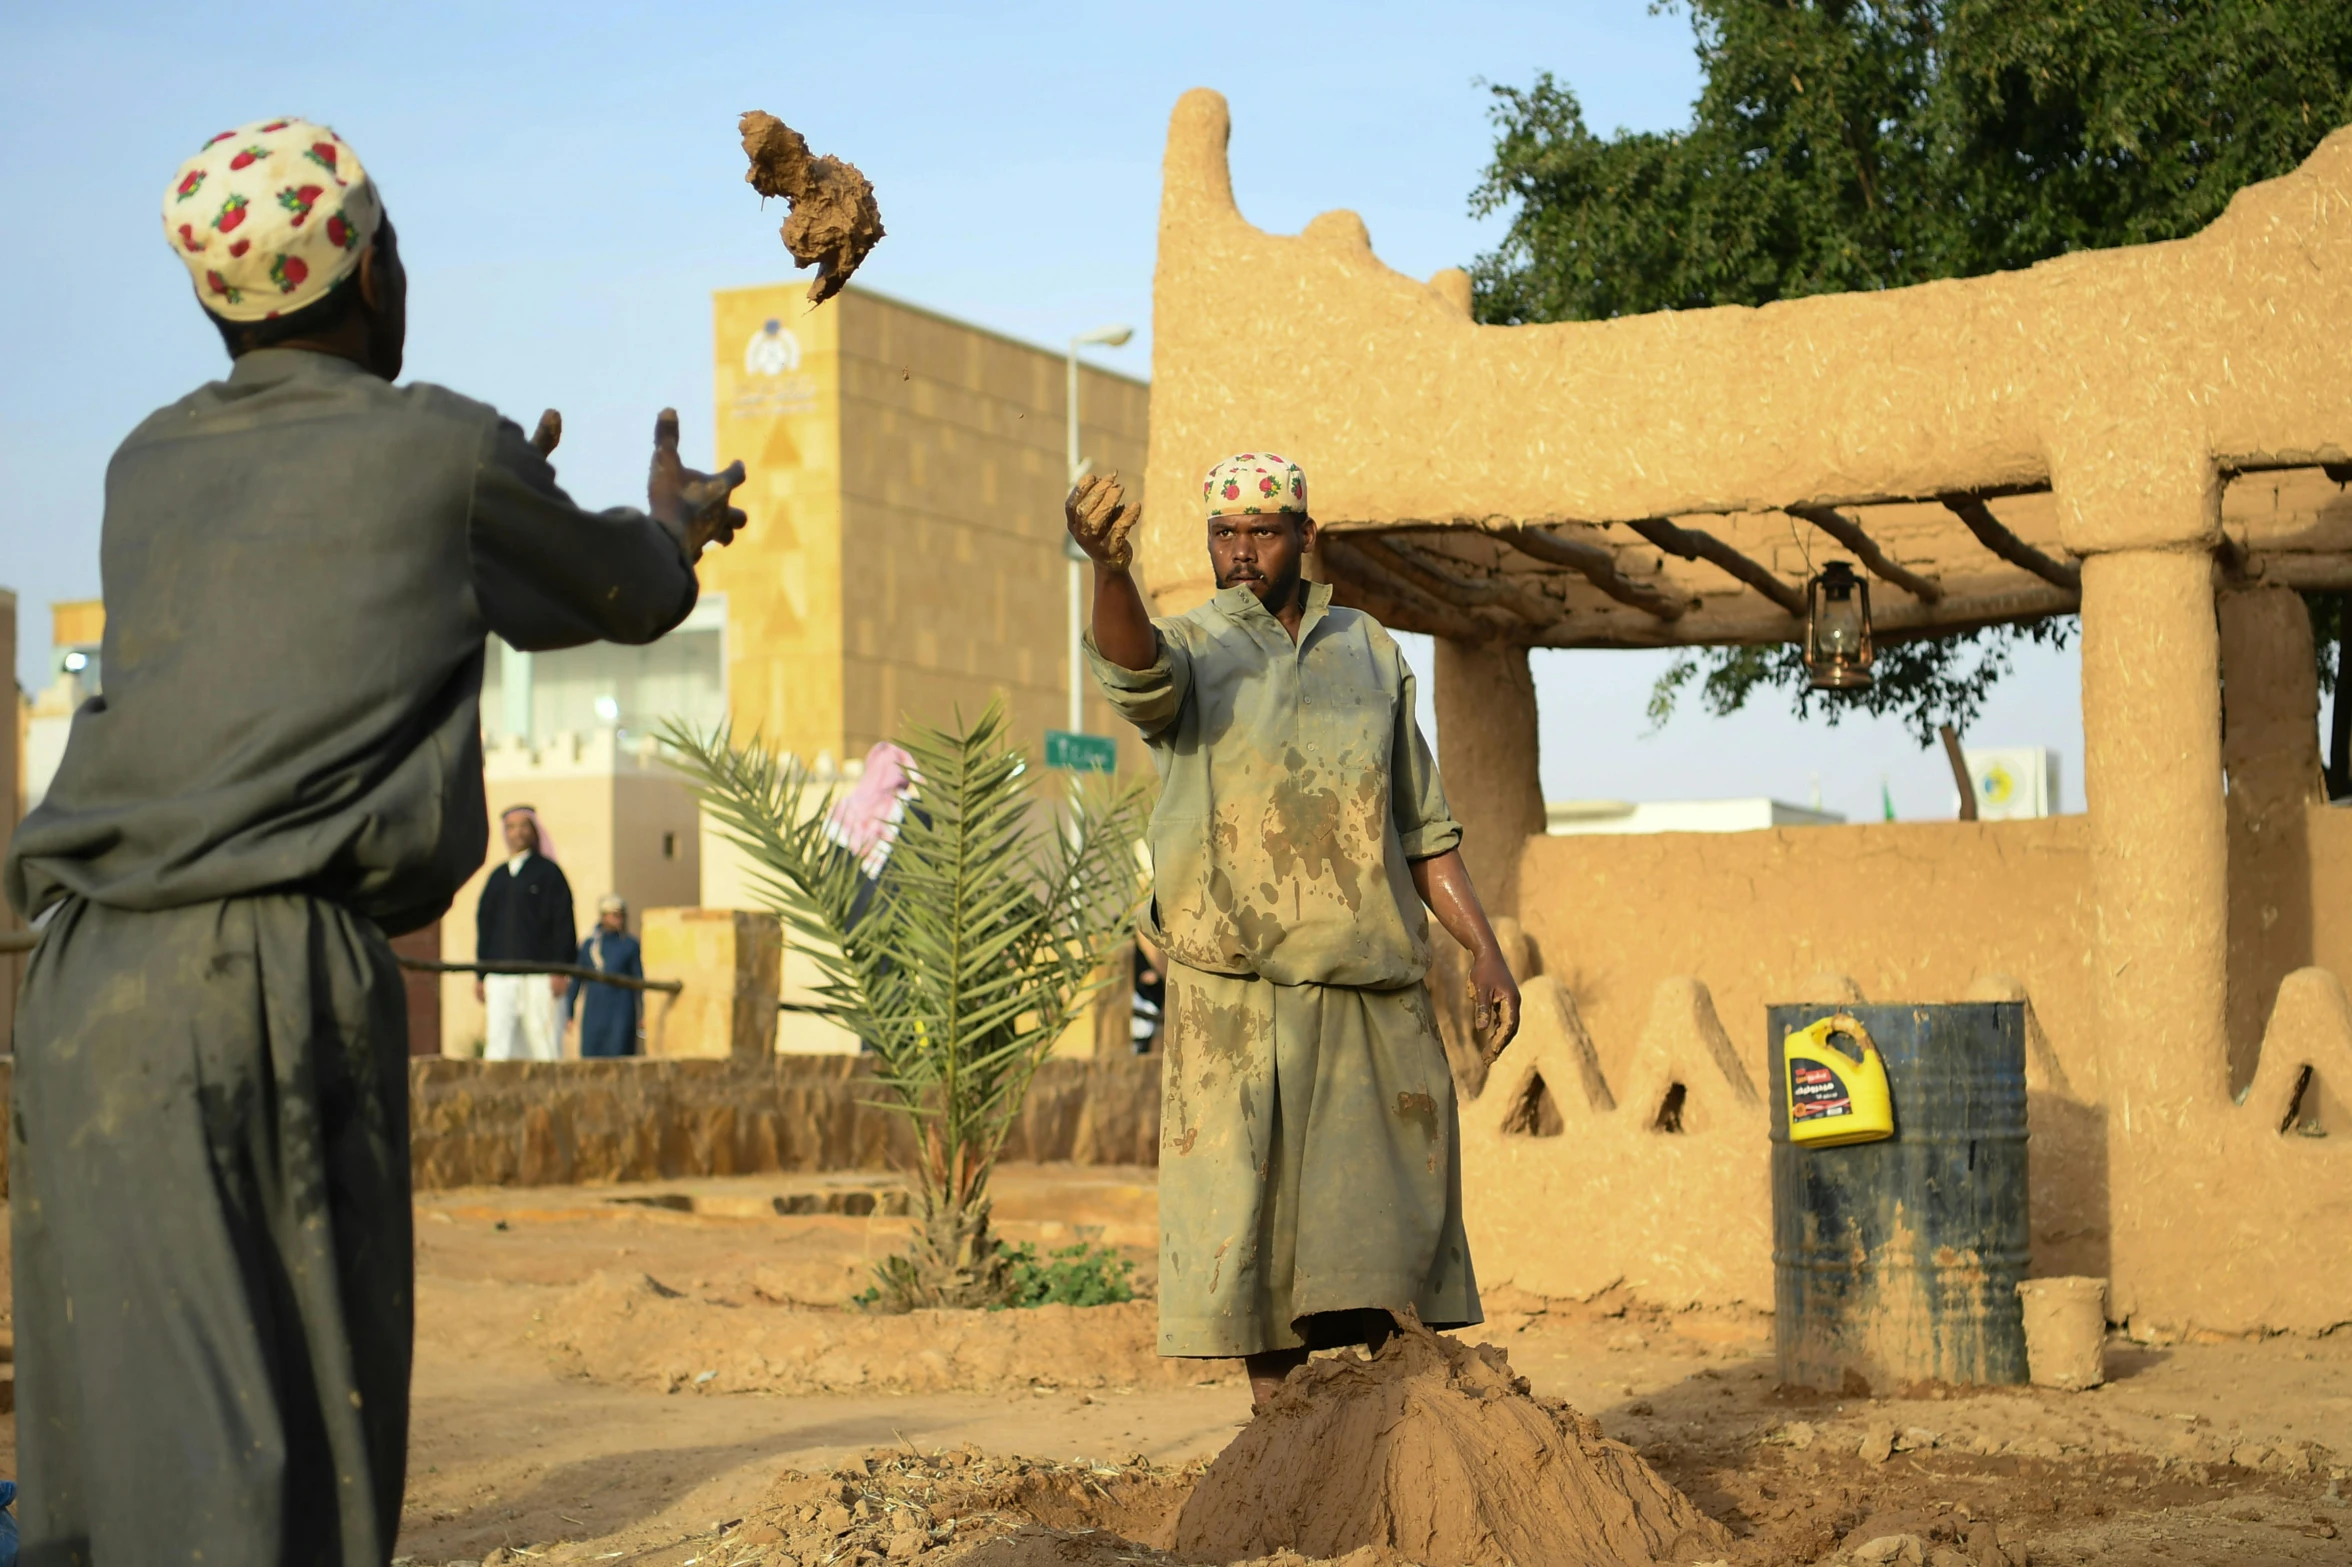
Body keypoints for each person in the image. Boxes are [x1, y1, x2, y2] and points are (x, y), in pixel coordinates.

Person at [1, 116, 747, 1563]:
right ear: (368, 268)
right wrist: (670, 521)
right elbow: (626, 593)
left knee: (117, 1441)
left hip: (84, 983)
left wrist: (477, 531)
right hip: (264, 974)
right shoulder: (443, 446)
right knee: (286, 1457)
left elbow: (369, 606)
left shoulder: (144, 464)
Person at [1068, 455, 1522, 1411]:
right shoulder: (1190, 644)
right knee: (1257, 1244)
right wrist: (1110, 570)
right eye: (1226, 535)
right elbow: (1133, 666)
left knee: (1382, 1233)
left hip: (1369, 992)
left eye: (1263, 532)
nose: (1243, 552)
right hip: (1237, 1002)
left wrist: (1483, 946)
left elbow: (1425, 828)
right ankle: (1280, 1436)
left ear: (1303, 535)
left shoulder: (1370, 651)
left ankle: (1388, 1436)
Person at [475, 804, 576, 1060]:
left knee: (542, 1044)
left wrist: (561, 968)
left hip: (540, 975)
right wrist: (481, 974)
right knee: (499, 1046)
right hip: (500, 975)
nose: (517, 833)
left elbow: (563, 922)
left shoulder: (549, 874)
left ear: (534, 830)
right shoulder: (497, 877)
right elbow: (484, 926)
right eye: (511, 827)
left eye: (523, 826)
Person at [567, 893, 645, 1058]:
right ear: (604, 916)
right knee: (591, 1055)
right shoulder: (589, 946)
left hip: (621, 1010)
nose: (619, 919)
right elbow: (576, 980)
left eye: (621, 915)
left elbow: (639, 981)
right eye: (614, 915)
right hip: (595, 1010)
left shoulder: (629, 945)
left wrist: (642, 1013)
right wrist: (569, 1012)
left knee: (619, 1053)